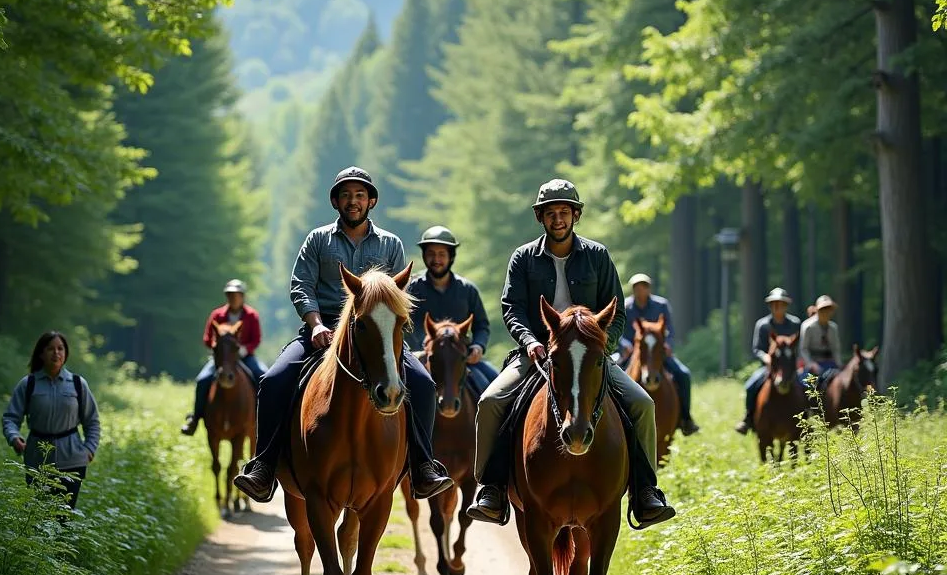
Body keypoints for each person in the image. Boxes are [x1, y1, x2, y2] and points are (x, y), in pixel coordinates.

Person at [234, 167, 453, 503]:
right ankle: (263, 466)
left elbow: (397, 298)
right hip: (320, 334)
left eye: (360, 195)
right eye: (347, 195)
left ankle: (423, 466)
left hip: (376, 337)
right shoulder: (318, 239)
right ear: (336, 201)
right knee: (273, 380)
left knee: (423, 384)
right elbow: (301, 285)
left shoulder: (391, 244)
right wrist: (317, 323)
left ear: (371, 201)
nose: (354, 201)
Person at [466, 178, 676, 528]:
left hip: (589, 356)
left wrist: (600, 348)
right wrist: (530, 341)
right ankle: (492, 489)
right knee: (490, 402)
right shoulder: (523, 258)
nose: (558, 219)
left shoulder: (598, 255)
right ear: (541, 218)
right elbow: (512, 308)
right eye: (551, 213)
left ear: (575, 215)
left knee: (643, 404)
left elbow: (617, 312)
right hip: (538, 353)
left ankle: (645, 492)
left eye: (564, 212)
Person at [2, 330, 100, 509]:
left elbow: (92, 421)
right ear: (41, 353)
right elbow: (10, 418)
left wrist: (89, 449)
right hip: (37, 459)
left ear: (66, 353)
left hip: (72, 460)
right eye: (50, 349)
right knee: (38, 516)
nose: (56, 353)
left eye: (60, 348)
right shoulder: (28, 384)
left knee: (63, 517)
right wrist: (14, 437)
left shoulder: (78, 384)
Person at [406, 225, 499, 397]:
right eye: (431, 254)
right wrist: (419, 351)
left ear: (451, 257)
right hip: (420, 360)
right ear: (424, 256)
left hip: (463, 360)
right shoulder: (412, 289)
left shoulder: (468, 289)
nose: (436, 259)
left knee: (497, 387)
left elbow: (482, 325)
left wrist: (478, 346)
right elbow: (403, 325)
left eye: (442, 254)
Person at [181, 279, 266, 436]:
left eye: (236, 295)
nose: (233, 298)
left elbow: (256, 339)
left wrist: (244, 350)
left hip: (244, 356)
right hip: (221, 358)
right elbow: (207, 338)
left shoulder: (252, 315)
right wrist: (219, 347)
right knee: (202, 380)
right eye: (230, 295)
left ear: (242, 296)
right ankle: (195, 418)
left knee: (263, 376)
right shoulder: (217, 315)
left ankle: (264, 418)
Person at [619, 273, 699, 435]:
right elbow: (617, 328)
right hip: (631, 353)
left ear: (649, 288)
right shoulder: (625, 306)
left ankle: (686, 418)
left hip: (657, 353)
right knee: (608, 375)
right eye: (637, 287)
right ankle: (610, 418)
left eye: (644, 287)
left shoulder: (661, 305)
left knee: (683, 374)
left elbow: (669, 330)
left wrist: (668, 344)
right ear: (633, 289)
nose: (641, 290)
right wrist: (624, 344)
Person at [734, 287, 802, 435]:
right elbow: (757, 348)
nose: (778, 307)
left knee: (806, 387)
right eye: (774, 304)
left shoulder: (795, 323)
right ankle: (748, 418)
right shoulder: (762, 325)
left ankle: (809, 421)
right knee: (750, 386)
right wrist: (766, 357)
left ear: (786, 306)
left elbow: (799, 347)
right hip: (768, 368)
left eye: (781, 304)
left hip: (790, 368)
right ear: (770, 306)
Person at [800, 294, 842, 383]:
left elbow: (836, 349)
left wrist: (839, 365)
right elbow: (803, 349)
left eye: (828, 309)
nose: (826, 312)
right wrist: (811, 364)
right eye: (823, 309)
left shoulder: (833, 328)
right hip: (813, 363)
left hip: (830, 364)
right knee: (805, 385)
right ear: (817, 310)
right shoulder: (808, 326)